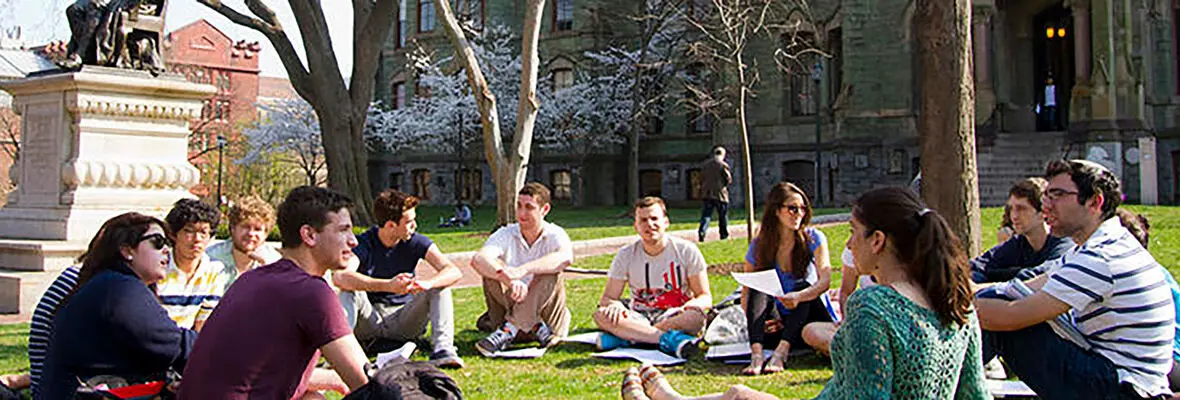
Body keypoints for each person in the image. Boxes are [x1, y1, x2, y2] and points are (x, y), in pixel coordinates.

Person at [622, 187, 988, 400]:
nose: (848, 241)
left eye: (853, 230)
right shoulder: (957, 302)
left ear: (877, 241)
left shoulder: (874, 307)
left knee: (742, 396)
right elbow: (976, 395)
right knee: (739, 395)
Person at [975, 160, 1174, 399]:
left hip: (1125, 388)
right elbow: (1020, 288)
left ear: (1094, 201)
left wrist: (956, 307)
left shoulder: (1101, 257)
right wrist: (969, 295)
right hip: (1121, 377)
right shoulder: (1104, 243)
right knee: (992, 302)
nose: (1046, 205)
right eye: (1046, 195)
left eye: (1057, 195)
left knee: (1005, 325)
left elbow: (1013, 314)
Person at [179, 186, 370, 399]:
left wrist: (332, 378)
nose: (353, 241)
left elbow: (255, 370)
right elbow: (364, 381)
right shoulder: (311, 292)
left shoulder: (252, 279)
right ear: (309, 235)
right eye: (343, 230)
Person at [41, 212, 196, 399]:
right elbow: (176, 347)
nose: (166, 250)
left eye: (168, 245)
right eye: (157, 242)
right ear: (127, 250)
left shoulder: (106, 283)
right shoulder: (119, 289)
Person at [334, 189, 465, 368]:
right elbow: (341, 277)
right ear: (390, 226)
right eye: (410, 222)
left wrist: (427, 284)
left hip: (404, 320)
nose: (415, 226)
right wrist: (388, 285)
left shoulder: (414, 241)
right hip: (370, 319)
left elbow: (453, 271)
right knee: (349, 291)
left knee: (441, 286)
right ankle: (342, 353)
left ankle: (443, 350)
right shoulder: (364, 243)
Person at [593, 197, 712, 358]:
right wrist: (616, 307)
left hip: (674, 314)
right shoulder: (625, 255)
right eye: (643, 220)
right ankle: (665, 339)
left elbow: (704, 296)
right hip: (639, 315)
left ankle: (631, 338)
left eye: (654, 219)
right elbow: (608, 298)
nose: (649, 224)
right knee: (601, 315)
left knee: (695, 317)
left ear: (666, 222)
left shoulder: (686, 251)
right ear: (636, 226)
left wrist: (692, 304)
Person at [470, 182, 574, 355]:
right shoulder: (506, 233)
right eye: (518, 206)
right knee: (492, 271)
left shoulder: (555, 234)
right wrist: (508, 279)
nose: (522, 214)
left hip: (546, 324)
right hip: (509, 307)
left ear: (544, 209)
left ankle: (511, 328)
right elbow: (479, 259)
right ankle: (526, 324)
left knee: (550, 271)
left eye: (529, 207)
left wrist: (524, 270)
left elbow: (565, 258)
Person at [740, 182, 832, 375]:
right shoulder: (760, 245)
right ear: (776, 211)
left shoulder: (813, 238)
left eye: (802, 208)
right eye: (792, 208)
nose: (799, 213)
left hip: (809, 319)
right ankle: (756, 354)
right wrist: (759, 319)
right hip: (778, 323)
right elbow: (746, 291)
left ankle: (781, 353)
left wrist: (799, 297)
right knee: (759, 286)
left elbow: (825, 281)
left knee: (803, 287)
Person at [969, 177, 1073, 283]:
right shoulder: (1018, 243)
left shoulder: (1063, 244)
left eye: (1021, 209)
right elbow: (977, 266)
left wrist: (997, 275)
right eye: (1011, 209)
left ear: (1043, 213)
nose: (1014, 216)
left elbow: (1042, 275)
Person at [157, 198, 228, 330]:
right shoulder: (158, 267)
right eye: (189, 231)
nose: (197, 239)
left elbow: (203, 324)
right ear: (173, 234)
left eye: (203, 232)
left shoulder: (214, 271)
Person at [800, 248, 871, 357]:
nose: (849, 243)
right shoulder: (852, 250)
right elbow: (846, 292)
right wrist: (847, 319)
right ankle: (860, 354)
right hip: (861, 324)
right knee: (811, 331)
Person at [206, 195, 282, 290]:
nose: (251, 233)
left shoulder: (275, 262)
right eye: (245, 226)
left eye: (257, 229)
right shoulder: (210, 258)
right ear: (232, 228)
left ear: (266, 234)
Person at [697, 145, 731, 242]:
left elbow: (701, 178)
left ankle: (702, 231)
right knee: (723, 215)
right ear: (723, 155)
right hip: (720, 194)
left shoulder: (705, 165)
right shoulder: (723, 165)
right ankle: (724, 235)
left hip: (707, 194)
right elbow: (728, 179)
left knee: (706, 215)